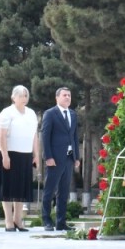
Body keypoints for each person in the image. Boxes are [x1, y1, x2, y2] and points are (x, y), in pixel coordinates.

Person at [0, 84, 40, 232]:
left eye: (26, 95)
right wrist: (5, 155)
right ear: (13, 97)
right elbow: (1, 135)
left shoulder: (31, 113)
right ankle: (8, 221)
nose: (24, 98)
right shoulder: (7, 112)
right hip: (10, 154)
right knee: (8, 188)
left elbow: (34, 136)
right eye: (21, 95)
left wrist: (36, 155)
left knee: (21, 188)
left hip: (26, 155)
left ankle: (18, 219)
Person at [40, 86, 81, 231]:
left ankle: (61, 222)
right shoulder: (50, 113)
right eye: (64, 95)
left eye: (69, 95)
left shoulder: (73, 114)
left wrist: (77, 157)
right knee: (49, 190)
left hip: (69, 158)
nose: (67, 97)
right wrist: (48, 156)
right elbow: (45, 136)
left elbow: (75, 136)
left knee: (64, 192)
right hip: (55, 158)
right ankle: (46, 220)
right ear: (57, 98)